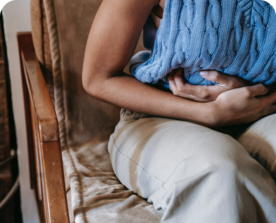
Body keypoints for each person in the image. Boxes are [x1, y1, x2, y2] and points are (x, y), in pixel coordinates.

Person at [82, 0, 276, 222]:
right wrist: (208, 114)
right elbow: (98, 79)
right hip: (161, 119)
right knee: (220, 173)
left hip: (261, 111)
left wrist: (252, 91)